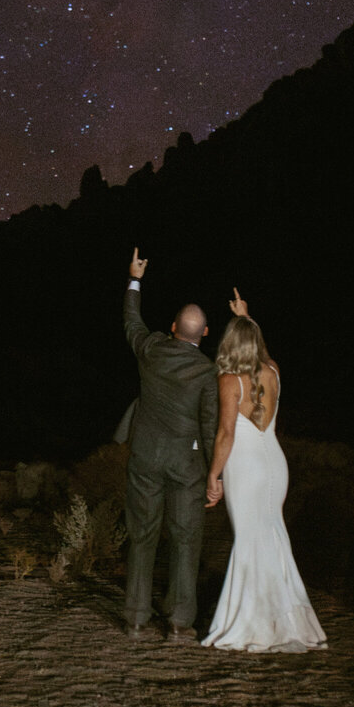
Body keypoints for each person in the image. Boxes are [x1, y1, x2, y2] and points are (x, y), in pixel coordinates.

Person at [201, 290, 327, 652]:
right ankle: (282, 617)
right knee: (272, 538)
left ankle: (251, 623)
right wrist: (249, 316)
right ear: (256, 341)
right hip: (275, 463)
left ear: (228, 343)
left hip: (247, 467)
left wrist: (214, 475)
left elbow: (225, 434)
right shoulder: (273, 371)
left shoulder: (229, 380)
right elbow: (266, 354)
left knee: (250, 541)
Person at [121, 247, 219, 642]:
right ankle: (179, 623)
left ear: (174, 328)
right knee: (185, 541)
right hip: (187, 464)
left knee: (142, 535)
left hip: (146, 456)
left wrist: (135, 279)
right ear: (205, 333)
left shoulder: (152, 349)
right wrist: (215, 475)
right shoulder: (208, 372)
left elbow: (131, 321)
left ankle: (136, 619)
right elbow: (211, 427)